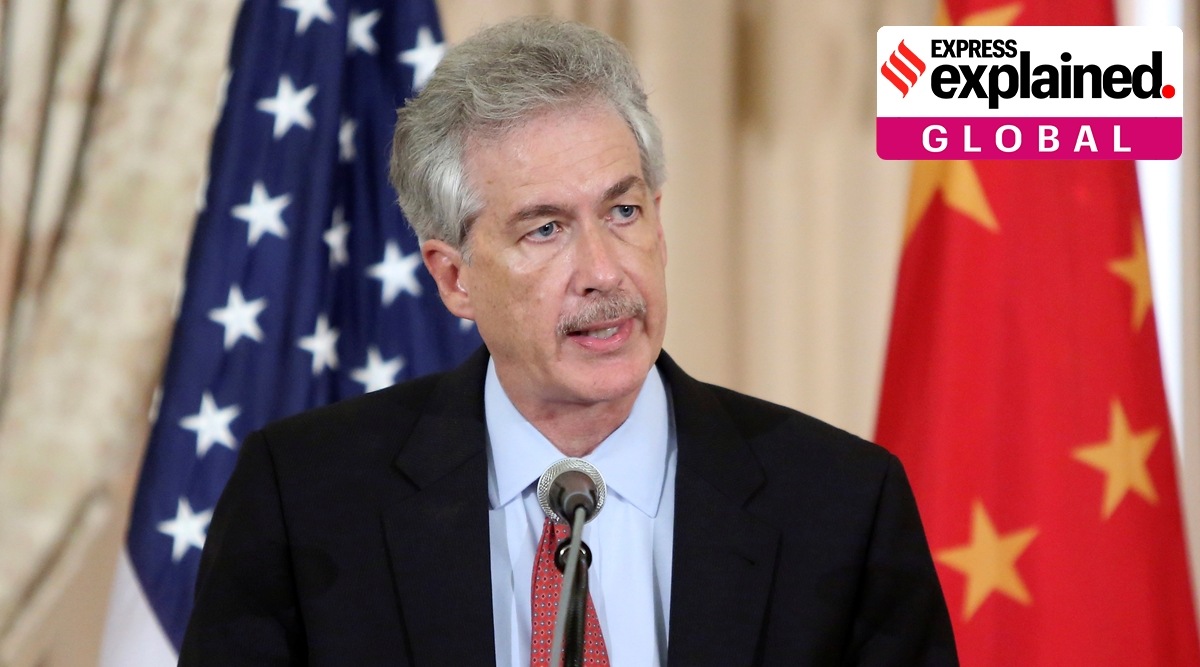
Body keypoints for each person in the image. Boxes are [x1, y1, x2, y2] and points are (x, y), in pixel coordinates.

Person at [180, 16, 957, 666]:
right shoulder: (305, 500)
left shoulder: (841, 505)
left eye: (623, 212)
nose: (603, 271)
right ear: (454, 277)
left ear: (658, 221)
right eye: (545, 229)